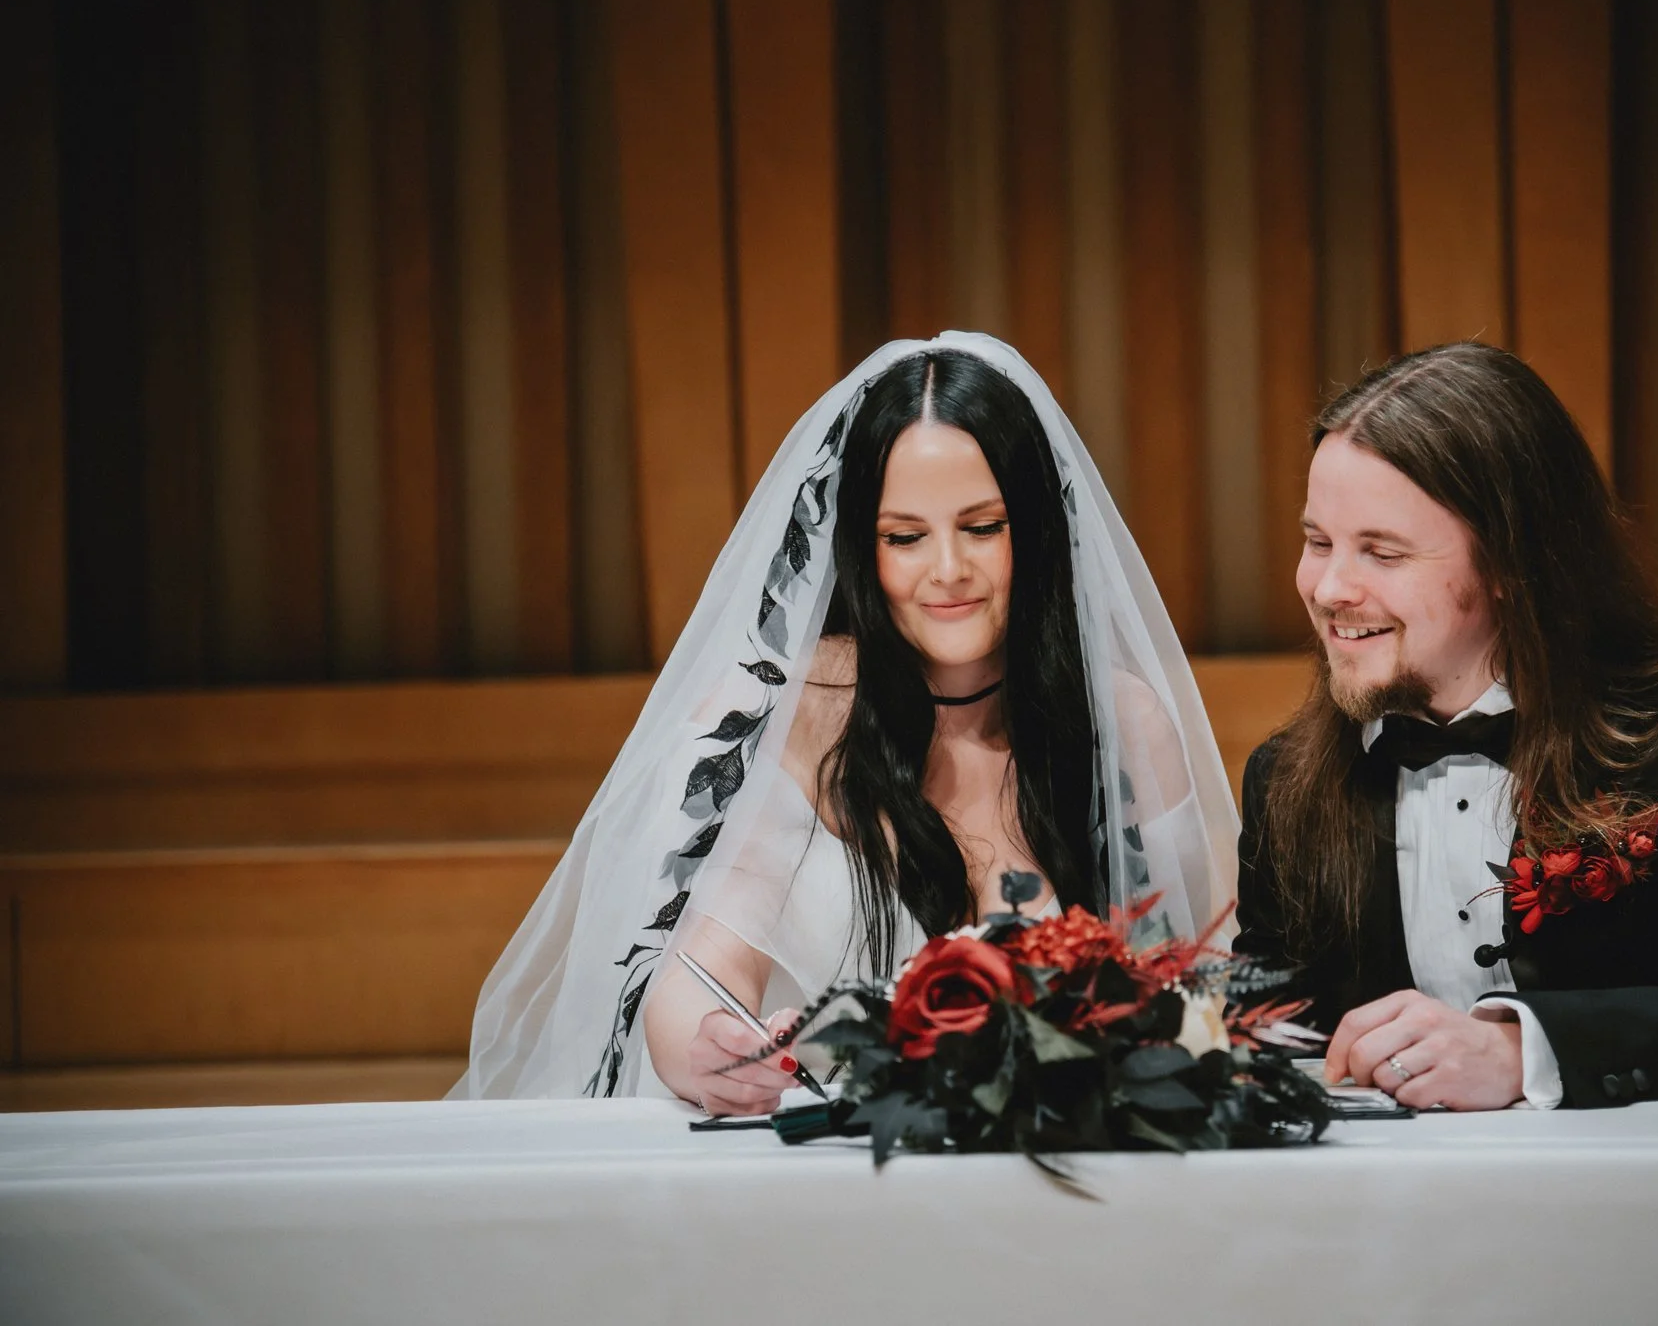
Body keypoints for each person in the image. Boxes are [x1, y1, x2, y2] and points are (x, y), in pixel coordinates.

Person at [451, 333, 1238, 1107]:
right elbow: (701, 970)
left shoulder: (1122, 721)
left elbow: (1195, 986)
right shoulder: (783, 712)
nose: (948, 570)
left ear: (1035, 530)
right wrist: (715, 1045)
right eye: (905, 537)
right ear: (858, 547)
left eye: (983, 527)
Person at [1233, 341, 1658, 1110]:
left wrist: (1523, 1050)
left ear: (1511, 563)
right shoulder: (1284, 777)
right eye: (1318, 541)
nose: (1327, 587)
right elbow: (1262, 1033)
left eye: (1381, 552)